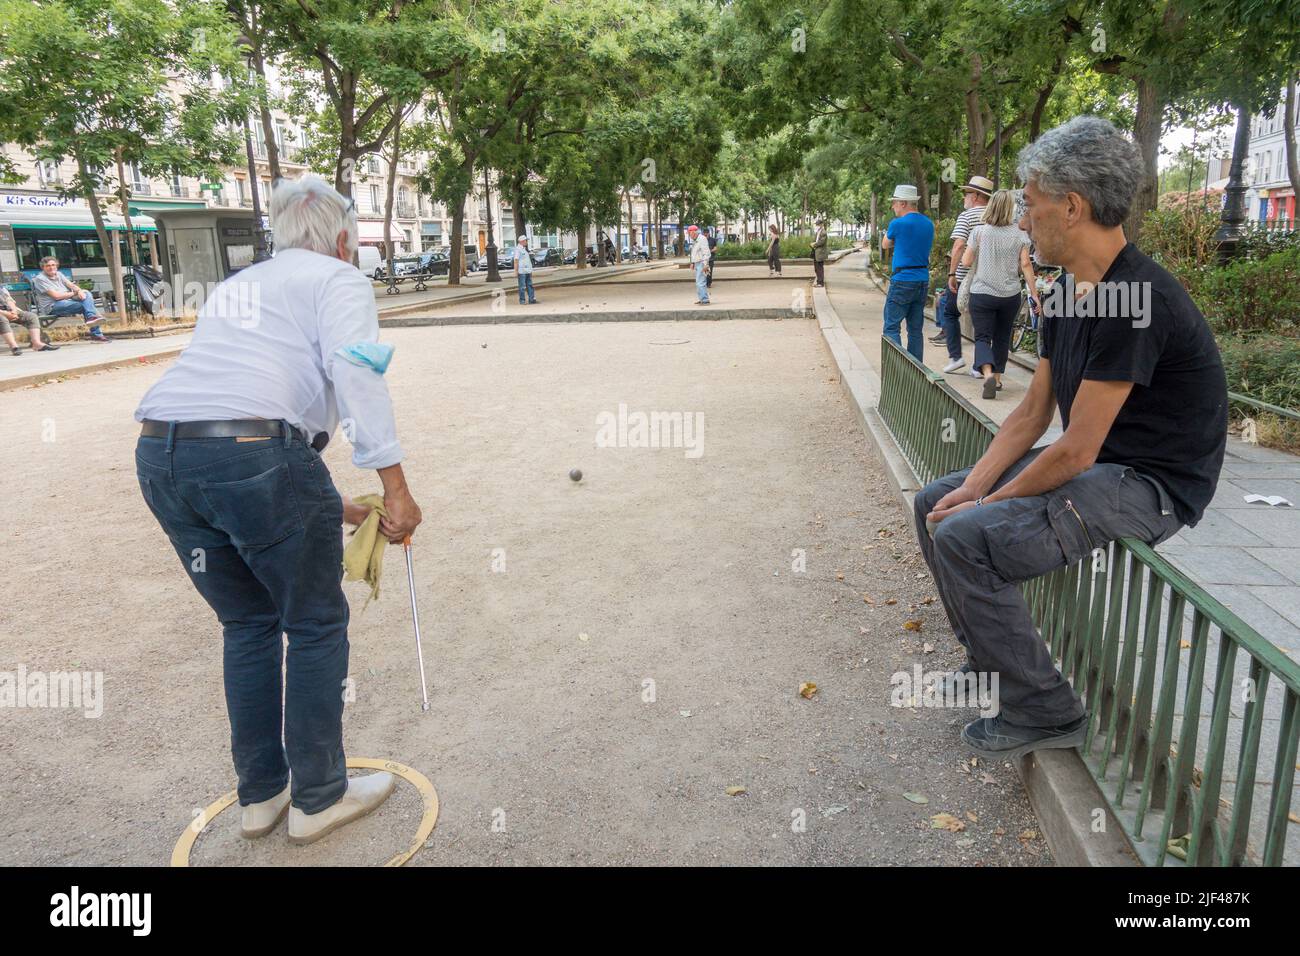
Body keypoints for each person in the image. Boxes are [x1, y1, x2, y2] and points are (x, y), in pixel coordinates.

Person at [916, 116, 1227, 759]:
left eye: (1030, 206)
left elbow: (1078, 449)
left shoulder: (1136, 298)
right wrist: (971, 487)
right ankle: (989, 665)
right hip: (1100, 465)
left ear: (1072, 206)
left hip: (1150, 483)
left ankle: (1046, 709)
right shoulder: (1067, 293)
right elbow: (1033, 413)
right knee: (933, 504)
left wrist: (982, 507)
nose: (1023, 221)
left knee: (967, 536)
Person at [133, 175, 423, 846]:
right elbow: (355, 376)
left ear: (280, 233)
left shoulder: (238, 285)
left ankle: (262, 798)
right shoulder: (338, 279)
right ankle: (319, 796)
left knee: (248, 623)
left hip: (163, 454)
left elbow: (246, 427)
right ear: (344, 240)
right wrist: (397, 490)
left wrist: (344, 510)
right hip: (256, 453)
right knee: (316, 622)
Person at [961, 189, 1037, 399]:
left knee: (983, 337)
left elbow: (966, 262)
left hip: (982, 293)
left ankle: (986, 374)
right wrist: (1034, 294)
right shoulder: (1020, 234)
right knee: (1002, 337)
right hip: (1009, 295)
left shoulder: (979, 232)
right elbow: (1025, 264)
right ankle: (997, 379)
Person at [933, 175, 992, 372]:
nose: (964, 197)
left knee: (949, 312)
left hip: (964, 276)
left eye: (966, 193)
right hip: (989, 277)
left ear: (976, 196)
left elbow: (958, 246)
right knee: (982, 322)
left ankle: (956, 357)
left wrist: (952, 274)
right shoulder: (996, 216)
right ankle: (980, 366)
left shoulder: (966, 217)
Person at [880, 185, 935, 361]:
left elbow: (885, 244)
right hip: (922, 280)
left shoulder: (897, 224)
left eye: (894, 203)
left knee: (891, 327)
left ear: (903, 203)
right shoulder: (928, 224)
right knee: (915, 330)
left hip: (902, 279)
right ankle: (916, 370)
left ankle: (897, 368)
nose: (893, 207)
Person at [30, 258, 110, 343]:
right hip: (52, 306)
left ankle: (91, 317)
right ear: (43, 267)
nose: (51, 267)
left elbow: (71, 285)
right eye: (48, 266)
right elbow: (56, 296)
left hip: (67, 301)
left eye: (53, 265)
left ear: (56, 266)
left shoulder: (59, 274)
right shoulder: (40, 279)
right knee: (85, 305)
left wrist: (79, 291)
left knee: (86, 293)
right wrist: (74, 293)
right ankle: (96, 334)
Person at [0, 286, 58, 355]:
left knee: (31, 316)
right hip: (2, 313)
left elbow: (9, 300)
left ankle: (37, 344)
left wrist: (14, 311)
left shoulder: (1, 288)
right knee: (2, 319)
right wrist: (5, 314)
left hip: (8, 311)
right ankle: (14, 347)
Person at [688, 224, 711, 305]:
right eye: (689, 234)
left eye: (691, 234)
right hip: (698, 262)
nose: (690, 236)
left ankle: (705, 300)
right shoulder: (695, 240)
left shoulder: (702, 239)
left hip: (702, 262)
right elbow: (694, 252)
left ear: (694, 232)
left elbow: (706, 253)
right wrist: (692, 262)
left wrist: (705, 264)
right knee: (699, 282)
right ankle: (702, 298)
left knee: (700, 282)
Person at [513, 234, 537, 304]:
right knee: (522, 287)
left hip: (527, 271)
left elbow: (527, 261)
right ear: (522, 241)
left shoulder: (524, 249)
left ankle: (531, 299)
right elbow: (516, 260)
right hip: (522, 271)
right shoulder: (518, 249)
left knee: (530, 285)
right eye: (526, 241)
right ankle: (522, 300)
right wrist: (516, 271)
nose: (527, 242)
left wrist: (530, 270)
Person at [811, 217, 828, 287]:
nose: (817, 225)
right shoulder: (818, 231)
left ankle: (821, 283)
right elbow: (817, 240)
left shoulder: (823, 232)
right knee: (816, 268)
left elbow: (821, 242)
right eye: (816, 224)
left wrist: (814, 244)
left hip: (820, 253)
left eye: (818, 224)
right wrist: (813, 243)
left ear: (822, 224)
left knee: (820, 268)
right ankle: (818, 281)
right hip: (816, 252)